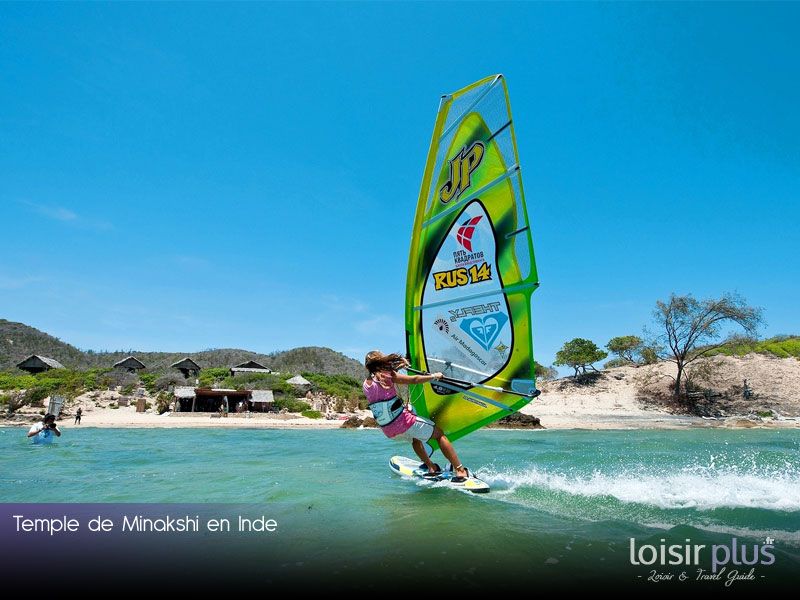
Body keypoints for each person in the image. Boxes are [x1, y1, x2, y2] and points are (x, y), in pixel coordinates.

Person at [363, 351, 469, 481]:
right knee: (439, 434)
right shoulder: (387, 376)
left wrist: (398, 366)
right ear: (380, 361)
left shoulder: (366, 385)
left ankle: (431, 467)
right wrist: (434, 376)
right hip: (403, 422)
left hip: (389, 430)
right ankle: (460, 470)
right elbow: (414, 379)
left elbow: (382, 385)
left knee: (415, 439)